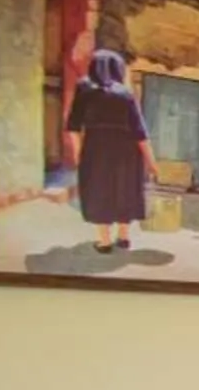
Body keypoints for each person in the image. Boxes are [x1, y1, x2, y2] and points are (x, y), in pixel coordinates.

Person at [64, 47, 150, 253]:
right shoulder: (125, 93)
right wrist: (151, 161)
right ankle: (123, 237)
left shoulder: (84, 87)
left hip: (96, 149)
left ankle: (104, 241)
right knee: (125, 189)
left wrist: (78, 153)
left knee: (98, 190)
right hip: (127, 151)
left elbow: (73, 126)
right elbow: (140, 131)